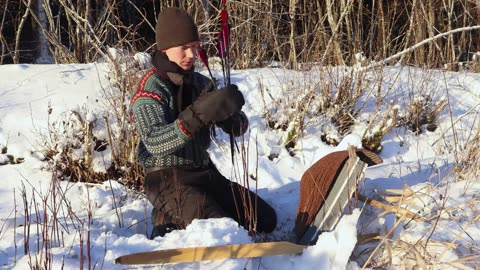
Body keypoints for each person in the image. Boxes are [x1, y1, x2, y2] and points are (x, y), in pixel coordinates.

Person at [130, 7, 277, 239]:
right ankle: (165, 215)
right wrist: (197, 116)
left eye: (195, 47)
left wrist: (233, 120)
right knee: (220, 229)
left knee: (265, 219)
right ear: (165, 49)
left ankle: (177, 214)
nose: (191, 54)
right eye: (184, 48)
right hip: (166, 178)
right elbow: (155, 142)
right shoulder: (151, 87)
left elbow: (238, 127)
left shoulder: (200, 82)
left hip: (205, 172)